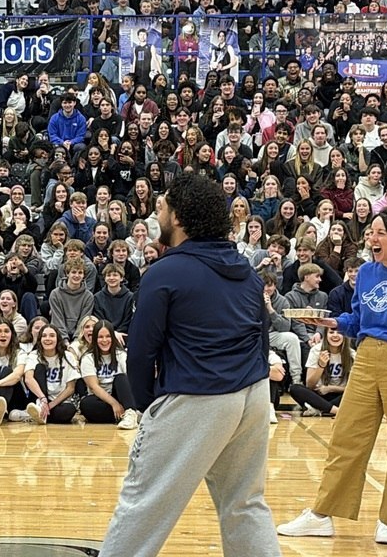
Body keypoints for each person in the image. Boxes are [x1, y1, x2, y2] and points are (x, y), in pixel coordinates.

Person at [99, 174, 281, 557]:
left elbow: (140, 352)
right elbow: (262, 337)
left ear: (178, 218)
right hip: (253, 395)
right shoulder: (247, 273)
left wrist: (150, 407)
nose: (156, 213)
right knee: (245, 504)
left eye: (162, 207)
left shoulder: (164, 273)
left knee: (144, 503)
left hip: (197, 394)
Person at [278, 207, 387, 546]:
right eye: (371, 232)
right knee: (346, 437)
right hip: (364, 358)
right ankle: (322, 514)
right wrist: (333, 322)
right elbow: (359, 320)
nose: (372, 238)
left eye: (380, 232)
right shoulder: (366, 273)